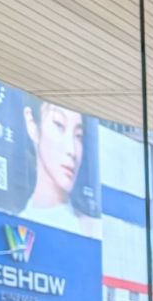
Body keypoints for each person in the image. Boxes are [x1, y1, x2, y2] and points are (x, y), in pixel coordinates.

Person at [17, 100, 102, 239]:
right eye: (59, 125)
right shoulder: (17, 225)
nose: (72, 150)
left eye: (78, 136)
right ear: (32, 124)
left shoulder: (92, 230)